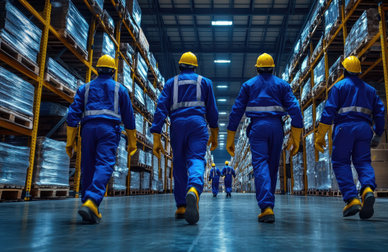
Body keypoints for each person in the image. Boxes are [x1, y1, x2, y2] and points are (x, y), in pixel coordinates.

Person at [226, 53, 303, 223]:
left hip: (258, 128)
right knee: (272, 166)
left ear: (257, 68)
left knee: (260, 164)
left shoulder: (249, 85)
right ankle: (269, 204)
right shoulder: (282, 85)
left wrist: (230, 136)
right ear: (273, 68)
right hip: (276, 128)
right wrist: (295, 137)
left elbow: (236, 111)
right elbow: (295, 110)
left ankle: (266, 206)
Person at [66, 55, 137, 224]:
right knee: (104, 164)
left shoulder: (85, 88)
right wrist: (132, 142)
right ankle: (92, 201)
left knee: (88, 166)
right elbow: (129, 117)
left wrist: (70, 140)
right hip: (108, 130)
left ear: (97, 69)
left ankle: (89, 205)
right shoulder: (120, 89)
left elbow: (72, 114)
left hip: (88, 130)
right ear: (113, 71)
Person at [151, 52, 219, 224]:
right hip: (197, 124)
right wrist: (215, 134)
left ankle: (181, 205)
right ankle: (194, 189)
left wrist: (157, 136)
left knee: (179, 163)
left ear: (180, 66)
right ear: (195, 66)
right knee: (196, 158)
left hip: (177, 125)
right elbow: (212, 110)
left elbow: (160, 110)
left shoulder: (170, 83)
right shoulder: (205, 82)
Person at [314, 56, 385, 220]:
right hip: (364, 129)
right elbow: (380, 113)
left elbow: (328, 112)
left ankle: (352, 199)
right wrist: (378, 133)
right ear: (359, 71)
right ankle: (367, 189)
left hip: (344, 129)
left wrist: (320, 135)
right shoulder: (370, 90)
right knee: (363, 162)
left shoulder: (338, 87)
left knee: (340, 162)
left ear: (344, 70)